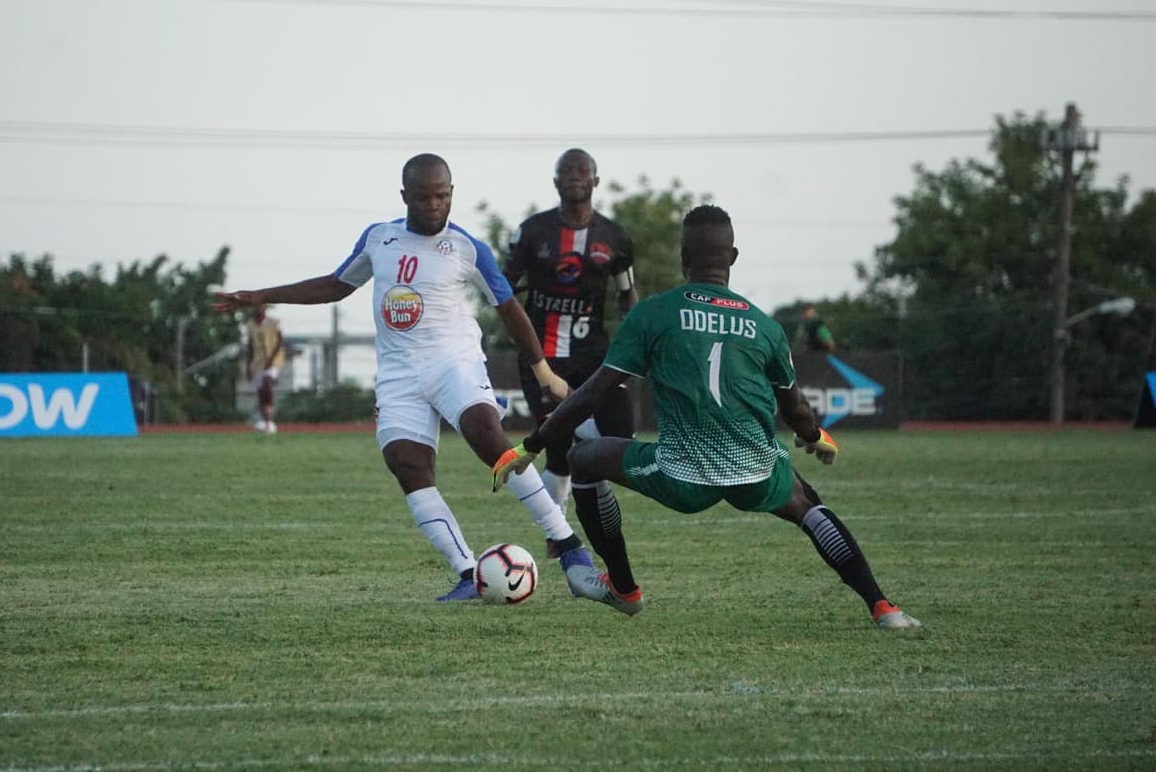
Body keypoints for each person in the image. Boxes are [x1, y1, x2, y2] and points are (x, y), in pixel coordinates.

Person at [494, 204, 922, 630]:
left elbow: (591, 394)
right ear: (733, 257)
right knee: (808, 505)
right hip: (756, 472)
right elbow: (795, 408)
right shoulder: (764, 326)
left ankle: (623, 589)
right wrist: (814, 437)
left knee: (585, 460)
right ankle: (883, 607)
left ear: (683, 257)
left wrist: (530, 445)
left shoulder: (653, 314)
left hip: (681, 477)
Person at [214, 153, 598, 602]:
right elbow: (336, 285)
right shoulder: (380, 239)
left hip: (453, 362)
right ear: (405, 197)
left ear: (452, 194)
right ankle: (467, 572)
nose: (434, 205)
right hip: (399, 374)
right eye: (423, 197)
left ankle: (570, 548)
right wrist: (259, 296)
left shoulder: (468, 248)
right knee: (406, 463)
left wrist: (542, 370)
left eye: (442, 195)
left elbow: (509, 309)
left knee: (487, 437)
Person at [502, 148, 638, 540]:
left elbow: (627, 294)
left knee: (620, 440)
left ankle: (577, 438)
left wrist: (635, 337)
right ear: (556, 181)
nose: (575, 176)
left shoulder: (615, 237)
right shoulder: (532, 232)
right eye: (567, 171)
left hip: (595, 355)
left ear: (596, 180)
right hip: (542, 357)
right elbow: (504, 290)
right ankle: (558, 533)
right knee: (558, 453)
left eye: (583, 171)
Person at [245, 304, 285, 434]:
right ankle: (266, 421)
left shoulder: (273, 322)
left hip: (273, 361)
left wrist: (271, 358)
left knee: (267, 383)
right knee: (261, 393)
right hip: (257, 363)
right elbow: (250, 346)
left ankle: (268, 420)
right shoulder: (250, 325)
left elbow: (279, 341)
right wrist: (248, 367)